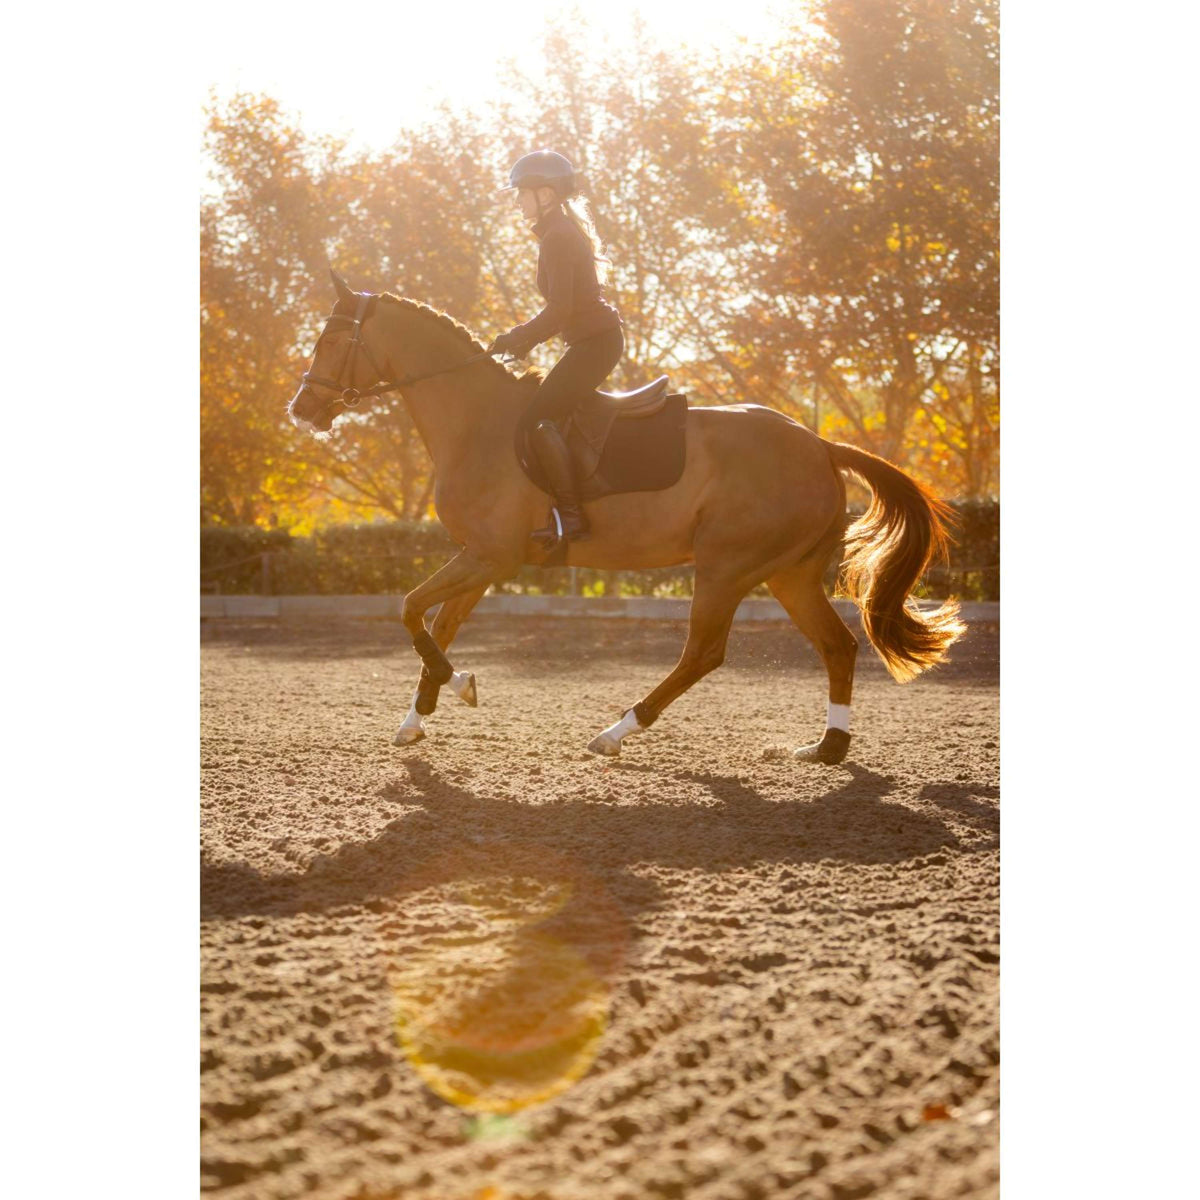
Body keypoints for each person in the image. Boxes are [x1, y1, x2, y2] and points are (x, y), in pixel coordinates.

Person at [491, 150, 623, 544]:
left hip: (595, 344)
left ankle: (571, 516)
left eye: (521, 193)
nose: (516, 201)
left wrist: (519, 338)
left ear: (545, 194)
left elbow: (560, 309)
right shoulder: (557, 232)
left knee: (537, 420)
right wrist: (520, 340)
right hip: (590, 342)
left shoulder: (558, 237)